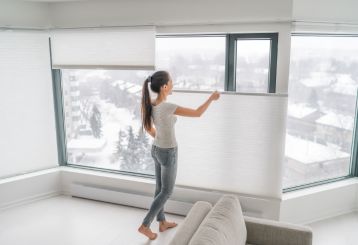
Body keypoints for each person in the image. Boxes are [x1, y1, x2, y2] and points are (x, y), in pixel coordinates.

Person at [138, 70, 220, 240]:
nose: (173, 84)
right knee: (167, 191)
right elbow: (198, 113)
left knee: (160, 189)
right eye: (171, 82)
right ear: (164, 86)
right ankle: (145, 225)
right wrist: (211, 98)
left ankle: (161, 222)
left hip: (156, 149)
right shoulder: (167, 107)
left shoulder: (151, 104)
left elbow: (148, 128)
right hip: (168, 152)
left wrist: (159, 137)